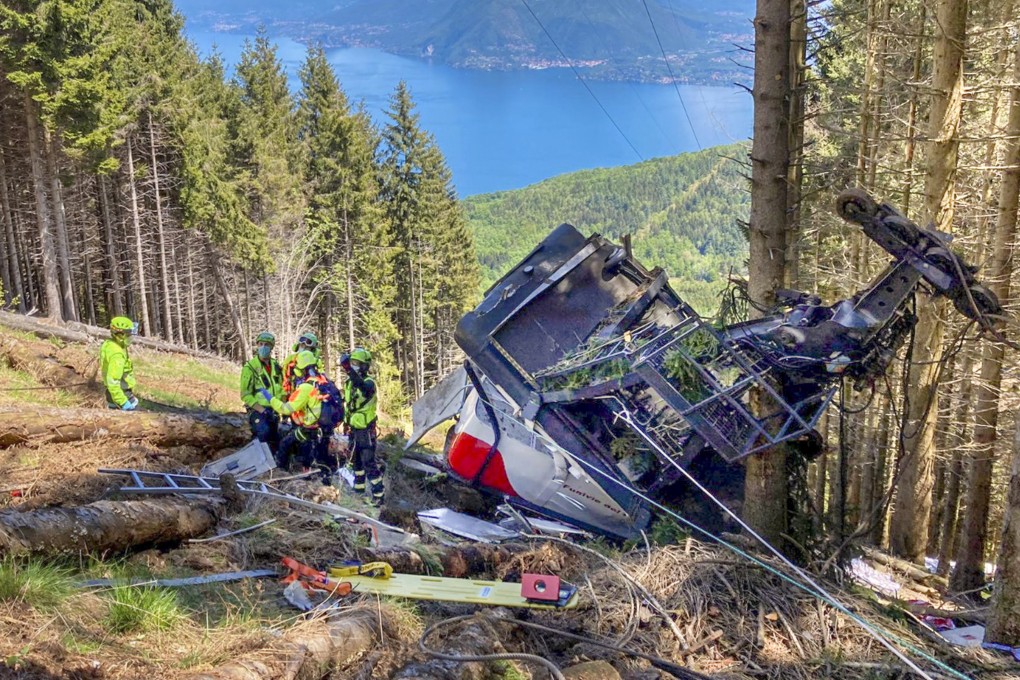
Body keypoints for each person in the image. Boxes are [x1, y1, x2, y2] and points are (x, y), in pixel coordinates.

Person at [261, 350, 331, 476]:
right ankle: (309, 470)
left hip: (308, 430)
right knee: (307, 455)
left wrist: (270, 399)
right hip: (320, 429)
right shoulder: (322, 381)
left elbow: (286, 409)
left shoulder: (306, 388)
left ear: (301, 369)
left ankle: (281, 473)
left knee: (284, 444)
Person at [340, 347, 383, 506]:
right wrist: (345, 423)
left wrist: (349, 370)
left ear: (364, 366)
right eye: (352, 363)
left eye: (357, 363)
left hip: (366, 430)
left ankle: (378, 495)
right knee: (356, 461)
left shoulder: (369, 383)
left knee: (368, 462)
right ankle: (358, 491)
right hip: (354, 427)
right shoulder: (349, 383)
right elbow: (350, 405)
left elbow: (364, 390)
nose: (354, 366)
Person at [240, 331, 284, 454]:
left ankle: (275, 467)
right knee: (263, 433)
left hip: (274, 410)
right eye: (261, 344)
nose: (263, 347)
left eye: (267, 344)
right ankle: (257, 462)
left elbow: (281, 388)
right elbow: (245, 394)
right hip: (258, 410)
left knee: (275, 440)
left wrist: (283, 408)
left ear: (271, 347)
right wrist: (262, 410)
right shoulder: (250, 368)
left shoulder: (276, 366)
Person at [101, 316, 139, 410]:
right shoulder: (117, 355)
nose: (131, 337)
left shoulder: (111, 344)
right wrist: (123, 402)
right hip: (121, 394)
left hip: (114, 393)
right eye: (129, 334)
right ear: (120, 335)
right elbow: (113, 381)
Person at [282, 331, 323, 396]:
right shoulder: (290, 359)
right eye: (302, 346)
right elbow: (283, 376)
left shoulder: (316, 362)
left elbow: (321, 378)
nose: (303, 349)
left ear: (312, 350)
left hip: (311, 394)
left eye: (307, 347)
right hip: (293, 394)